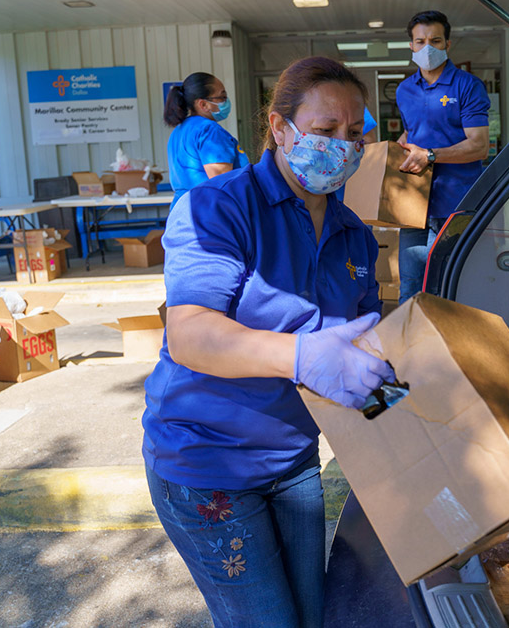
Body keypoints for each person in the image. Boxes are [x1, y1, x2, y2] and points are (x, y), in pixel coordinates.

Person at [143, 57, 395, 628]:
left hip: (292, 461)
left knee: (314, 616)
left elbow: (366, 357)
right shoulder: (219, 208)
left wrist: (413, 421)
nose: (343, 146)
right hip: (208, 461)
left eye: (354, 134)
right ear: (281, 129)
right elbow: (190, 335)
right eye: (326, 131)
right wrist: (303, 356)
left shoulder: (353, 235)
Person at [395, 10, 490, 302]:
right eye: (419, 41)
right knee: (410, 287)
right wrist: (388, 155)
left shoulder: (467, 86)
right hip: (414, 203)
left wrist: (431, 155)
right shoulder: (404, 90)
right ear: (411, 46)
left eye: (435, 41)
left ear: (448, 44)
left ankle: (442, 347)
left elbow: (479, 145)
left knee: (442, 289)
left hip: (455, 204)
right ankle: (407, 346)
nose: (427, 48)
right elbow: (412, 134)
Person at [164, 72, 250, 210]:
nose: (226, 101)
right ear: (203, 104)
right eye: (222, 97)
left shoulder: (179, 131)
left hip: (183, 210)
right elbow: (222, 182)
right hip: (207, 212)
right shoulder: (209, 131)